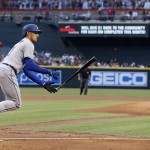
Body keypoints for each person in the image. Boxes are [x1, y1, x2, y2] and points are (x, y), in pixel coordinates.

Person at [0, 24, 59, 113]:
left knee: (3, 102)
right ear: (28, 33)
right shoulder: (28, 43)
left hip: (3, 69)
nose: (38, 35)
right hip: (8, 71)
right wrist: (48, 71)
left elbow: (27, 70)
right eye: (35, 32)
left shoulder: (22, 43)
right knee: (16, 103)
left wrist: (43, 83)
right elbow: (30, 65)